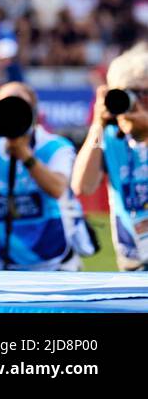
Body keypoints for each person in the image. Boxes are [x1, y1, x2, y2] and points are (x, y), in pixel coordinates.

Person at [0, 82, 94, 271]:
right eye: (4, 104)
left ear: (34, 111)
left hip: (56, 263)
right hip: (9, 262)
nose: (12, 110)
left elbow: (57, 188)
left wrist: (25, 155)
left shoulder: (55, 147)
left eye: (19, 103)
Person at [72, 43, 148, 271]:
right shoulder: (110, 137)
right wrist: (97, 125)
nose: (137, 101)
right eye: (128, 92)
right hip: (132, 262)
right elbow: (82, 186)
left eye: (143, 93)